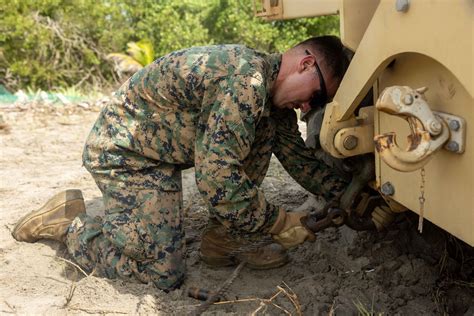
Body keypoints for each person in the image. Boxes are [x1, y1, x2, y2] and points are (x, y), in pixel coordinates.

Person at [12, 36, 350, 291]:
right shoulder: (246, 79)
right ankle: (70, 223)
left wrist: (356, 198)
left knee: (265, 132)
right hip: (125, 156)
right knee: (162, 273)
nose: (308, 108)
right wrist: (278, 221)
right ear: (306, 65)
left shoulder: (270, 98)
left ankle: (226, 237)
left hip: (159, 156)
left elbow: (301, 161)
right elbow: (217, 179)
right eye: (318, 96)